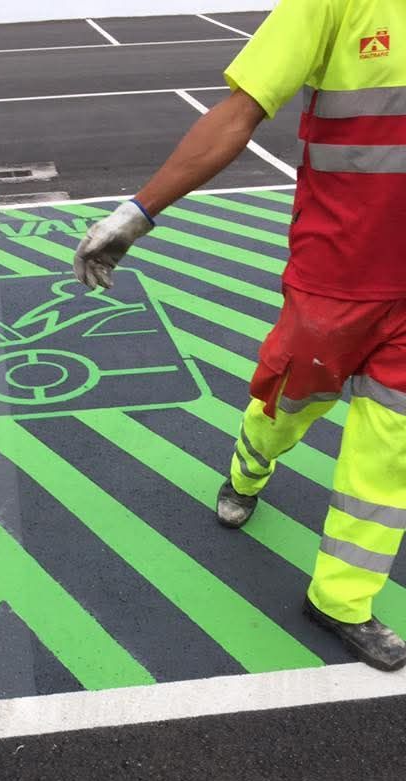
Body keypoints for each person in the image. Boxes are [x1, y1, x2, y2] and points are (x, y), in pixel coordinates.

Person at [73, 0, 406, 671]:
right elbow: (240, 110)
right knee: (290, 406)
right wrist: (138, 214)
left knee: (391, 444)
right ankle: (249, 467)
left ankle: (340, 599)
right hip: (333, 278)